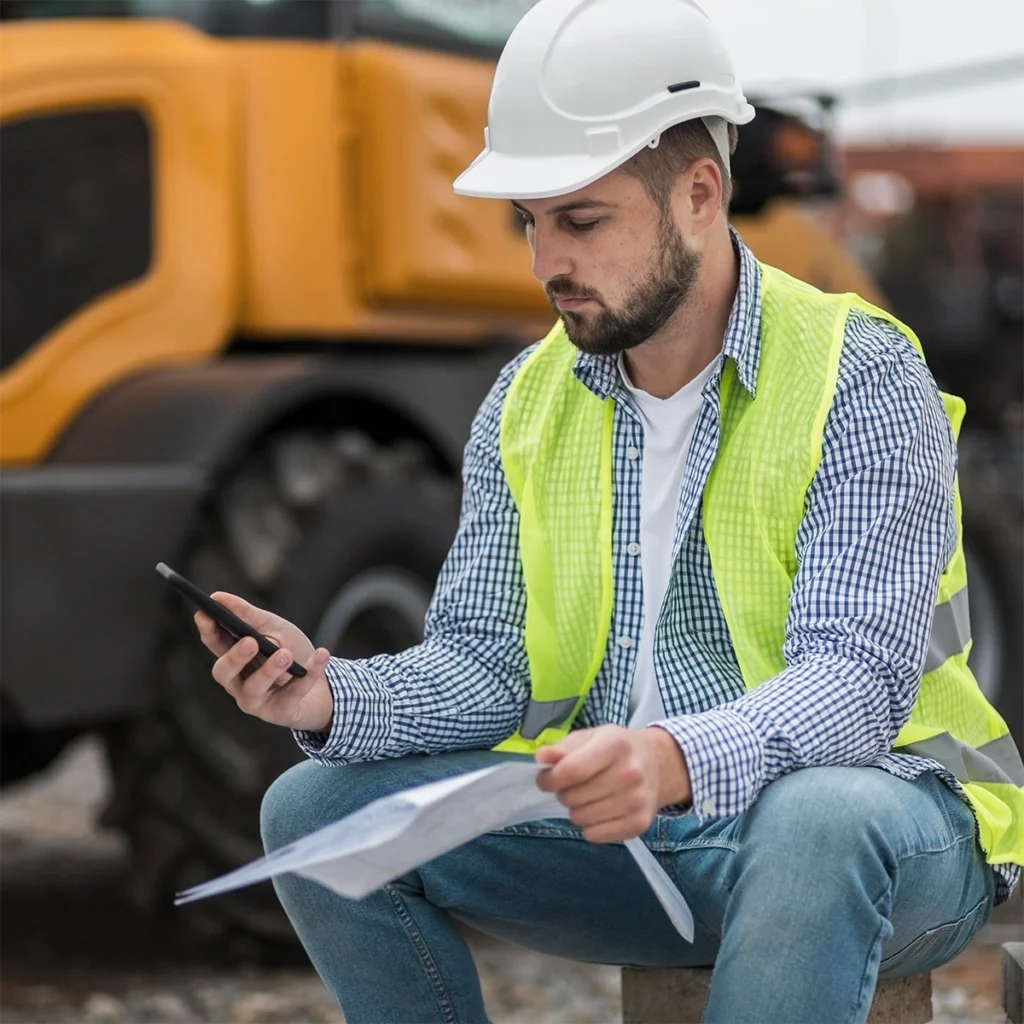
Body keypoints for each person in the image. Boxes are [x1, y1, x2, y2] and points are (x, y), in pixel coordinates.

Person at [194, 1, 1024, 1021]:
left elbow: (852, 683)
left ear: (699, 194)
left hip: (887, 836)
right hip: (642, 849)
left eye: (581, 220)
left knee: (818, 819)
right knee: (315, 812)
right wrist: (327, 695)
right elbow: (486, 662)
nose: (547, 264)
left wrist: (671, 759)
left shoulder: (858, 372)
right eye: (531, 223)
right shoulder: (527, 400)